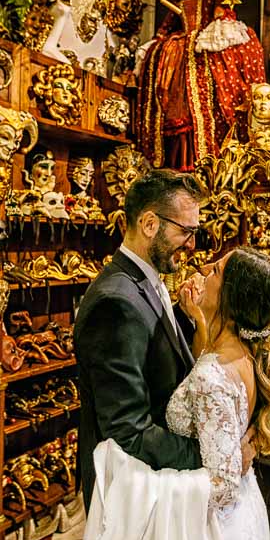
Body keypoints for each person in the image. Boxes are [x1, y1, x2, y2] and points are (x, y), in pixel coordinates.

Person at [71, 246, 270, 540]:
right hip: (241, 521)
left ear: (231, 297)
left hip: (208, 536)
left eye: (216, 270)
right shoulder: (237, 354)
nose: (203, 268)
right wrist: (203, 324)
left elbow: (222, 483)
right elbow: (211, 375)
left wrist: (142, 485)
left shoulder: (213, 377)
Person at [74, 169, 208, 513]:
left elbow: (153, 352)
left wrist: (187, 316)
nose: (192, 244)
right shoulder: (114, 303)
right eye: (185, 231)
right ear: (150, 224)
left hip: (152, 482)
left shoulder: (143, 281)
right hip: (132, 494)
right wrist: (210, 453)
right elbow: (128, 430)